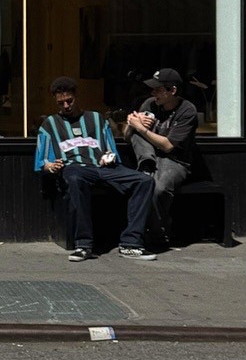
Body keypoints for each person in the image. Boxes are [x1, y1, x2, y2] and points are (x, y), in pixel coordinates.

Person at [35, 75, 156, 261]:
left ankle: (131, 243)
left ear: (76, 96)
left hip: (103, 167)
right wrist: (50, 166)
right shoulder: (49, 124)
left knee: (145, 181)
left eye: (69, 101)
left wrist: (109, 157)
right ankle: (83, 245)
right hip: (74, 167)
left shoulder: (97, 119)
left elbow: (111, 150)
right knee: (75, 180)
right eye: (61, 103)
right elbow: (42, 162)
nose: (66, 106)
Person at [126, 67, 200, 248]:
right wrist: (131, 124)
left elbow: (168, 146)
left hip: (175, 160)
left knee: (158, 189)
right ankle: (146, 167)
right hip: (149, 155)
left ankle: (159, 233)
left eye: (158, 90)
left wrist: (141, 128)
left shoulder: (187, 110)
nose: (153, 93)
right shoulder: (149, 104)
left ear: (172, 91)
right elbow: (128, 137)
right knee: (137, 136)